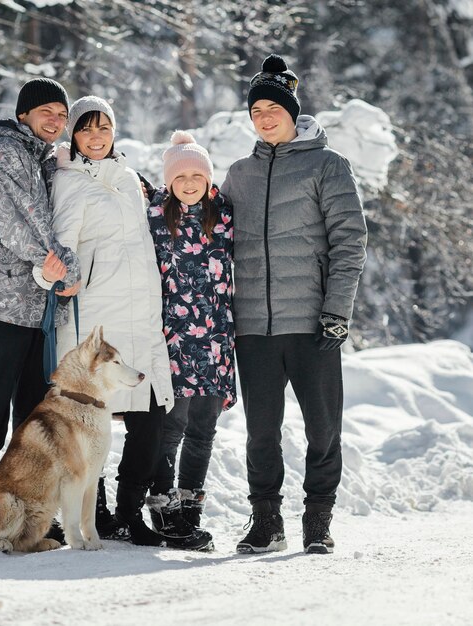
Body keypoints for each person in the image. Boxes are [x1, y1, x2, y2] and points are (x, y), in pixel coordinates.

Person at [221, 54, 367, 554]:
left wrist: (337, 312)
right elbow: (209, 238)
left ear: (291, 111)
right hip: (254, 327)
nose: (264, 117)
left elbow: (350, 241)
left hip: (312, 322)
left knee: (323, 426)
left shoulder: (328, 166)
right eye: (256, 109)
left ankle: (318, 519)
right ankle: (266, 521)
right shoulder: (239, 174)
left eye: (272, 108)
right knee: (261, 432)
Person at [33, 95, 176, 547]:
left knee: (149, 418)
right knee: (86, 422)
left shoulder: (131, 178)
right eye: (86, 128)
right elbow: (61, 248)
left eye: (104, 128)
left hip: (141, 315)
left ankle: (129, 513)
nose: (95, 137)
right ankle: (94, 512)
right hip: (95, 322)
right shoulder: (68, 181)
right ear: (73, 136)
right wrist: (54, 278)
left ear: (115, 133)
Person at [0, 78, 80, 527]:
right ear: (24, 113)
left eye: (62, 115)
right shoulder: (3, 152)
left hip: (34, 304)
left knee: (33, 414)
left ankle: (26, 506)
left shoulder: (43, 158)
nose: (56, 120)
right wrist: (65, 267)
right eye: (46, 110)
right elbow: (19, 224)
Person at [144, 131, 236, 551]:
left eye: (198, 174)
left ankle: (189, 508)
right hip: (174, 341)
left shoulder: (224, 217)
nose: (190, 182)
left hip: (216, 340)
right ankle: (162, 507)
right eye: (181, 176)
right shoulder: (156, 219)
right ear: (169, 182)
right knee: (171, 426)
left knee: (203, 430)